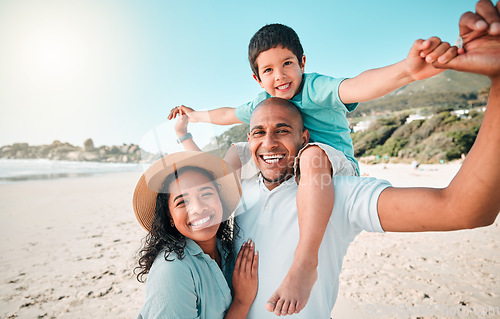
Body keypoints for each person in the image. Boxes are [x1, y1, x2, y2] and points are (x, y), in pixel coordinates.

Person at [176, 1, 500, 316]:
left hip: (331, 166)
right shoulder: (257, 123)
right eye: (258, 131)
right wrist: (192, 122)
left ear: (302, 62)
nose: (280, 76)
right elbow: (228, 114)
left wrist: (407, 71)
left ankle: (306, 262)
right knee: (234, 156)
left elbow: (359, 85)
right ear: (258, 79)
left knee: (313, 157)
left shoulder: (316, 93)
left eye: (287, 64)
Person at [133, 151, 258, 318]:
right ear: (169, 216)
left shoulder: (227, 250)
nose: (198, 208)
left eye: (206, 194)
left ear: (220, 200)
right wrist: (242, 301)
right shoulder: (172, 269)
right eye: (182, 202)